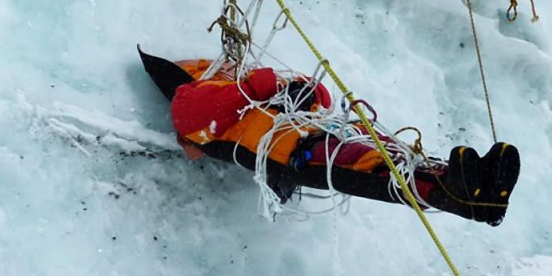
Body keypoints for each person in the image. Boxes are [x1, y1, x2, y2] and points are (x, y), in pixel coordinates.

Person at [138, 47, 521, 226]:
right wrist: (259, 85)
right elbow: (194, 110)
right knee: (374, 168)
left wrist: (293, 89)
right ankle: (455, 196)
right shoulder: (194, 97)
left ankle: (470, 186)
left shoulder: (225, 90)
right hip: (290, 150)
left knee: (388, 154)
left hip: (311, 133)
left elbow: (313, 93)